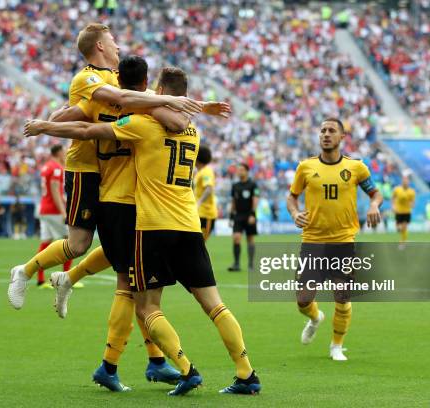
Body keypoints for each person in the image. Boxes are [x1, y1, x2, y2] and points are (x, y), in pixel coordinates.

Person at [23, 67, 261, 396]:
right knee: (215, 305)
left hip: (153, 227)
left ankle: (185, 368)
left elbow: (85, 129)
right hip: (189, 225)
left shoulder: (142, 126)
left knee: (146, 307)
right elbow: (176, 119)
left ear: (160, 91)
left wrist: (45, 126)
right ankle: (246, 373)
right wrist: (197, 107)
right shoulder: (193, 131)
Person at [8, 22, 202, 311]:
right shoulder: (87, 79)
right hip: (87, 167)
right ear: (99, 45)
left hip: (118, 172)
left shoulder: (118, 78)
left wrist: (188, 107)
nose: (118, 46)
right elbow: (95, 110)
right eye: (112, 40)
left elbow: (144, 103)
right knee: (78, 244)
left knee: (120, 249)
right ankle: (24, 271)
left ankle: (68, 280)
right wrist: (48, 124)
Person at [286, 118, 383, 361]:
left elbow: (376, 192)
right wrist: (295, 213)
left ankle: (336, 346)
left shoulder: (356, 168)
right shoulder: (305, 167)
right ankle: (315, 317)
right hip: (312, 241)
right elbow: (292, 197)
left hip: (343, 241)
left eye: (331, 131)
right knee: (303, 300)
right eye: (323, 131)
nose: (326, 134)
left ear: (341, 138)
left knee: (342, 295)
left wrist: (373, 205)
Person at [33, 144, 73, 288]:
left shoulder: (46, 167)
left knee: (45, 242)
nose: (65, 155)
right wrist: (63, 212)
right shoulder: (56, 168)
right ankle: (67, 277)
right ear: (58, 153)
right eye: (64, 152)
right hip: (54, 210)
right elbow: (55, 190)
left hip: (44, 209)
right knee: (71, 241)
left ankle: (40, 278)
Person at [228, 164, 259, 273]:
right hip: (238, 216)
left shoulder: (253, 185)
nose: (239, 172)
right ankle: (236, 264)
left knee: (250, 239)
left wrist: (253, 214)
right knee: (236, 237)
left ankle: (251, 264)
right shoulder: (235, 185)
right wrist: (231, 216)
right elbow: (233, 202)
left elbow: (255, 200)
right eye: (238, 170)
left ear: (247, 171)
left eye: (242, 170)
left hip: (249, 215)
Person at [194, 145, 218, 241]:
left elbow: (209, 188)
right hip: (199, 213)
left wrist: (198, 203)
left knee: (199, 245)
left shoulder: (206, 172)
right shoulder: (199, 172)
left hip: (206, 214)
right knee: (195, 246)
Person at [392, 175, 415, 248]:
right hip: (398, 211)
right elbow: (393, 198)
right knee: (398, 228)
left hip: (406, 212)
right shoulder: (397, 189)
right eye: (404, 180)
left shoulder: (411, 191)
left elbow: (413, 202)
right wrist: (393, 206)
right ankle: (403, 238)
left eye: (407, 180)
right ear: (402, 181)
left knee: (404, 227)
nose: (405, 181)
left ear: (409, 182)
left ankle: (402, 242)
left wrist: (412, 204)